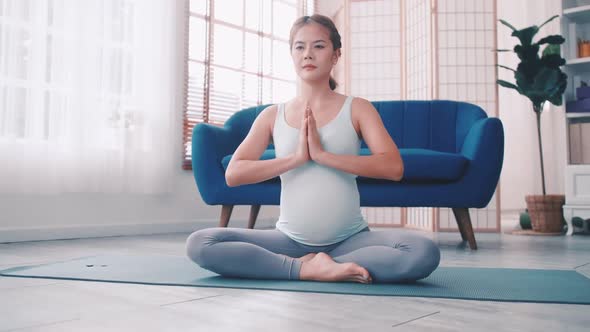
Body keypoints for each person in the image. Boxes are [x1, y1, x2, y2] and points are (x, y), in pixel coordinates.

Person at [186, 14, 440, 284]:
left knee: (423, 252)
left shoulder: (358, 108)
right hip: (287, 241)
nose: (308, 54)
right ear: (292, 54)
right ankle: (306, 268)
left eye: (319, 46)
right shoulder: (272, 115)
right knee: (200, 243)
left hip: (352, 240)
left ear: (335, 55)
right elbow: (234, 174)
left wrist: (324, 157)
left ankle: (313, 266)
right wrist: (295, 159)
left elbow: (393, 167)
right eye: (300, 47)